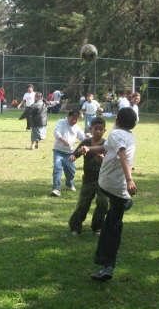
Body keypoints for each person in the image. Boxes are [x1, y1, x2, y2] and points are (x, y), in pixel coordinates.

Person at [80, 107, 137, 281]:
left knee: (111, 229)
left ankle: (107, 267)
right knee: (112, 224)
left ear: (117, 120)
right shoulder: (130, 136)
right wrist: (90, 149)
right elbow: (106, 147)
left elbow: (121, 154)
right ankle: (107, 265)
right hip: (114, 188)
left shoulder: (115, 134)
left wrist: (129, 179)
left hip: (112, 187)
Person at [68, 117, 108, 236]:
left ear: (104, 130)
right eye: (96, 129)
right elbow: (77, 152)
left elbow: (111, 159)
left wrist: (104, 159)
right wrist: (74, 156)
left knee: (103, 203)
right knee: (83, 204)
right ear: (91, 129)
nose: (98, 132)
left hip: (103, 180)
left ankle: (98, 226)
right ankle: (75, 226)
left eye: (101, 129)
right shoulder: (86, 142)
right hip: (88, 179)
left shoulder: (106, 144)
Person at [51, 110, 86, 197]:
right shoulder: (61, 122)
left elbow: (82, 137)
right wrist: (63, 140)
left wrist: (88, 138)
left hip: (69, 153)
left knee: (71, 172)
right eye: (72, 119)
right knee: (57, 168)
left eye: (76, 119)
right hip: (58, 151)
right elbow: (56, 132)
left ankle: (69, 183)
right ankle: (56, 188)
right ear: (68, 116)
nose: (74, 121)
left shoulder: (76, 127)